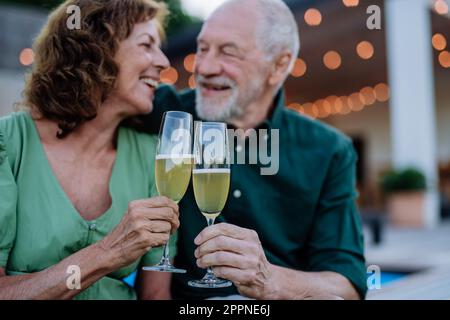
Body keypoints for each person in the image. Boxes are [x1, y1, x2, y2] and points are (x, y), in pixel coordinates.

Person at [144, 0, 367, 300]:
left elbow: (348, 285)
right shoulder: (170, 114)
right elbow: (94, 91)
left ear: (277, 66)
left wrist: (271, 279)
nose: (205, 67)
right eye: (203, 48)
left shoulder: (328, 150)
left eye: (228, 52)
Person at [0, 0, 179, 300]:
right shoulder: (9, 143)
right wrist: (109, 252)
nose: (163, 61)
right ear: (96, 49)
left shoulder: (154, 156)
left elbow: (156, 295)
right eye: (147, 44)